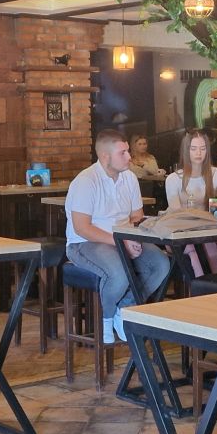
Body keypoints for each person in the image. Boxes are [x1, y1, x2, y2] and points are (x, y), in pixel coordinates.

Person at [64, 129, 170, 343]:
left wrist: (135, 238)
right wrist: (121, 242)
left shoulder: (129, 178)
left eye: (128, 151)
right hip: (84, 243)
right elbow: (82, 228)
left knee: (161, 264)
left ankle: (125, 307)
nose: (129, 157)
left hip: (123, 238)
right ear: (105, 156)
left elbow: (137, 216)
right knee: (119, 274)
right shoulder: (86, 181)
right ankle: (107, 319)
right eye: (123, 153)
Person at [164, 130, 217, 211]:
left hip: (208, 218)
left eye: (203, 148)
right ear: (186, 151)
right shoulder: (172, 179)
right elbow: (176, 214)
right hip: (181, 219)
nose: (198, 153)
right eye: (193, 149)